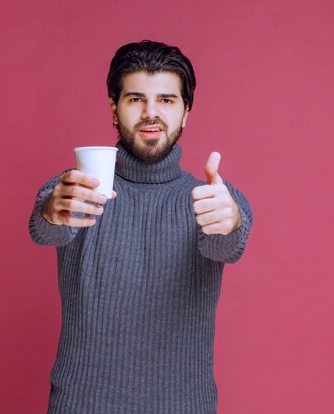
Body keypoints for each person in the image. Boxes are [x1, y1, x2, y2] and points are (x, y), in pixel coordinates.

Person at [29, 40, 253, 414]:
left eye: (166, 100)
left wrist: (231, 223)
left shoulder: (212, 199)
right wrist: (52, 211)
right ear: (114, 109)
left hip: (183, 406)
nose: (152, 113)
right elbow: (46, 229)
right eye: (136, 99)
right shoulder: (74, 190)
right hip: (81, 405)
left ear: (186, 113)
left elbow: (226, 245)